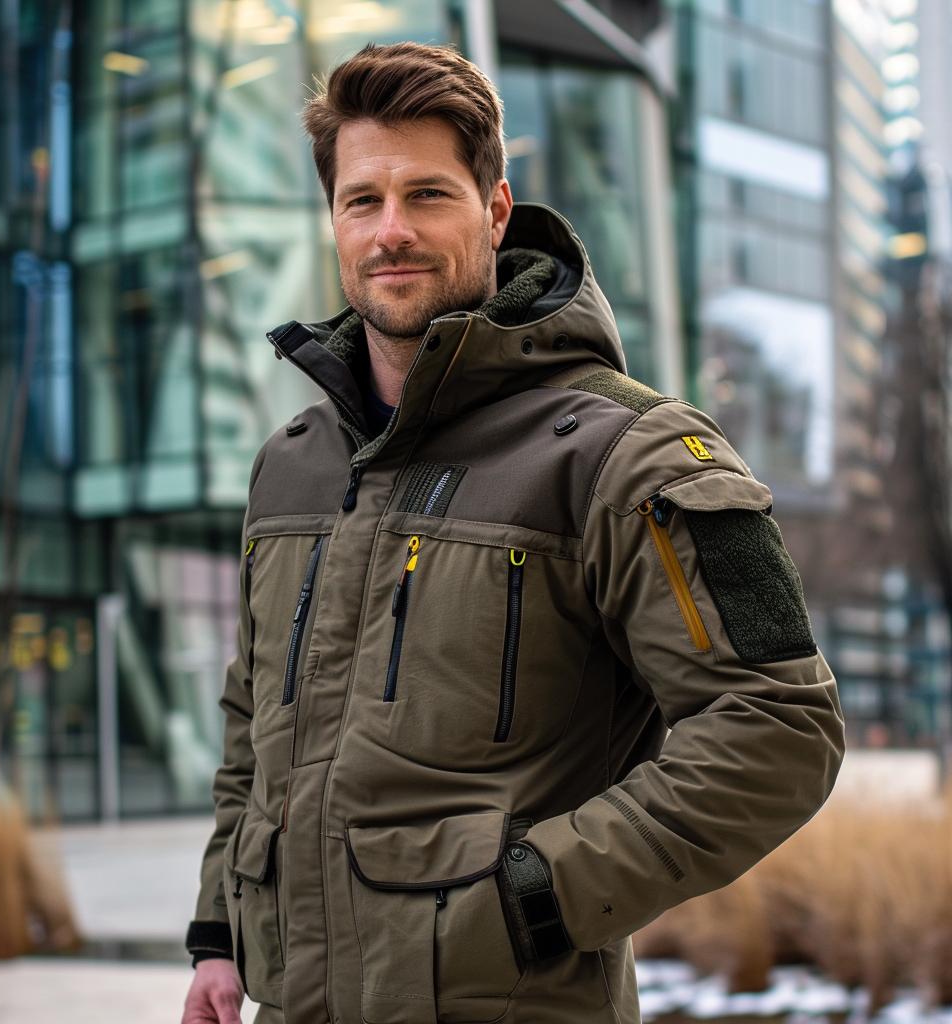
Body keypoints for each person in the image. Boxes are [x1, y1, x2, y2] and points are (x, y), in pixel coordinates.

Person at [182, 41, 844, 1024]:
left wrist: (535, 896)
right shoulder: (293, 463)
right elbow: (254, 726)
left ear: (495, 210)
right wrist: (218, 935)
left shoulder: (627, 454)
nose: (390, 230)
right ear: (332, 220)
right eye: (362, 200)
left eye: (428, 195)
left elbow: (778, 728)